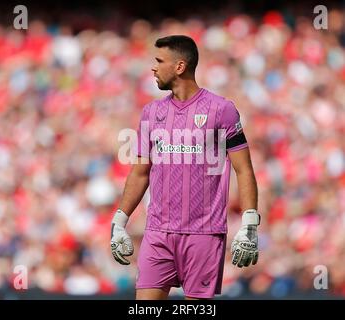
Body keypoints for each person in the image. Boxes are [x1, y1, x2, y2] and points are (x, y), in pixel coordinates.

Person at [110, 35, 260, 300]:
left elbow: (244, 169)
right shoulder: (151, 112)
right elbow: (140, 172)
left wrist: (249, 224)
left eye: (159, 61)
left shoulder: (221, 110)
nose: (153, 67)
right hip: (158, 233)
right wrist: (119, 221)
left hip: (204, 234)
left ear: (180, 66)